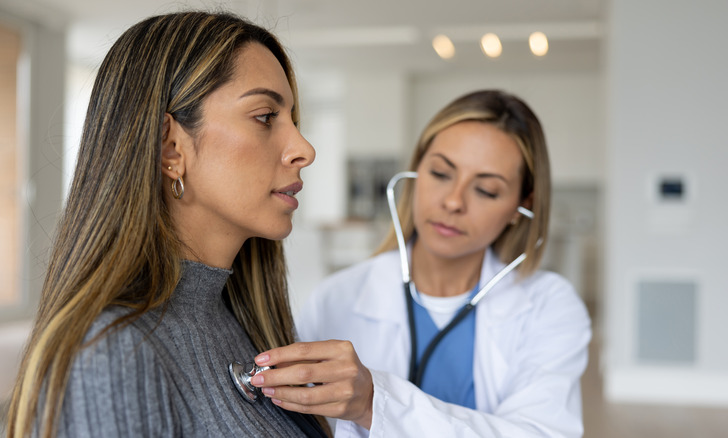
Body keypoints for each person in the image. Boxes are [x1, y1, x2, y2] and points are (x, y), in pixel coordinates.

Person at [5, 11, 329, 438]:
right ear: (170, 148)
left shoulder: (244, 324)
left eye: (295, 122)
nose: (304, 149)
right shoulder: (109, 353)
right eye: (266, 116)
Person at [251, 90, 592, 437]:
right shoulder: (337, 298)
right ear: (416, 172)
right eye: (441, 173)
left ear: (522, 206)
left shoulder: (549, 307)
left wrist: (375, 404)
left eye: (486, 190)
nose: (453, 201)